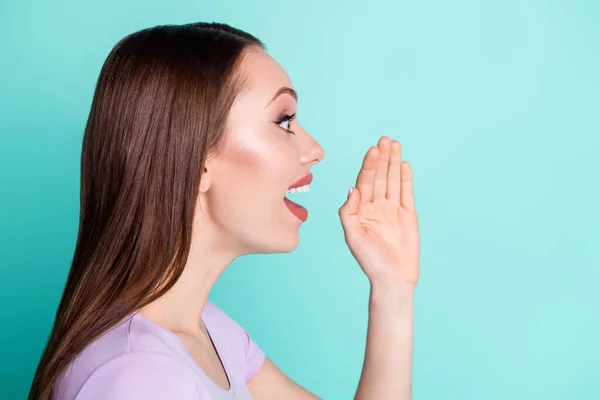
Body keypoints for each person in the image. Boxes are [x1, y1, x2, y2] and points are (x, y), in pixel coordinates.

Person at [28, 22, 420, 400]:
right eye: (285, 122)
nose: (314, 149)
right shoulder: (142, 377)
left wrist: (393, 289)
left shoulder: (210, 334)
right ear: (198, 162)